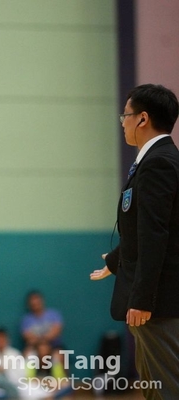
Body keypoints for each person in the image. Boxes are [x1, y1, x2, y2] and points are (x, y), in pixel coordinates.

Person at [90, 84, 179, 399]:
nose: (122, 122)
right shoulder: (153, 159)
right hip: (156, 300)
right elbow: (144, 230)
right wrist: (115, 261)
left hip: (159, 303)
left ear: (142, 118)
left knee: (166, 387)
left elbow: (156, 234)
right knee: (154, 386)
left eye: (124, 116)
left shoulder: (158, 162)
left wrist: (142, 299)